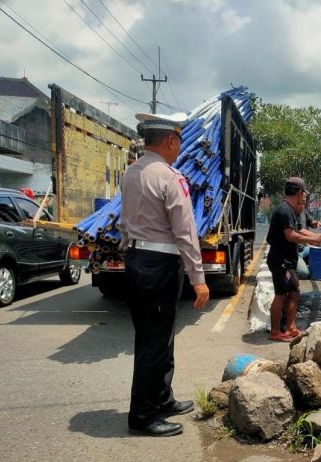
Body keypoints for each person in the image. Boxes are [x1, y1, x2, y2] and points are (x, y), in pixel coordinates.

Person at [119, 112, 210, 437]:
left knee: (156, 336)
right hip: (159, 267)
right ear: (171, 140)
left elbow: (124, 221)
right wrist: (198, 279)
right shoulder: (169, 178)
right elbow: (185, 231)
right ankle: (143, 415)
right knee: (154, 343)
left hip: (137, 259)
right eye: (179, 141)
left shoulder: (131, 173)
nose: (179, 147)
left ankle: (162, 398)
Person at [266, 177, 321, 342]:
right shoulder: (284, 210)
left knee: (294, 293)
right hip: (281, 261)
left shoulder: (293, 210)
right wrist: (315, 239)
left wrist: (319, 237)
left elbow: (300, 230)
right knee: (280, 295)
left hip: (288, 260)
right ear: (299, 192)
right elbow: (291, 235)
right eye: (304, 193)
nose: (304, 197)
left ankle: (291, 327)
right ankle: (275, 332)